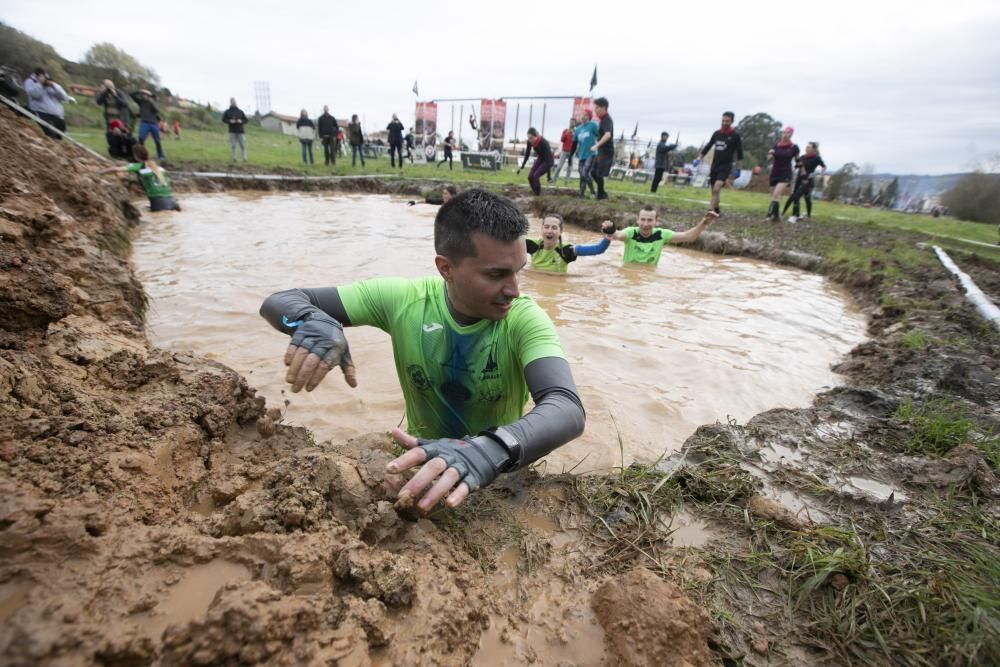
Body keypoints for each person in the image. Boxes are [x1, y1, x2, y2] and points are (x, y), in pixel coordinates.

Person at [259, 189, 585, 512]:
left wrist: (490, 448)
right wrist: (312, 320)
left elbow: (565, 407)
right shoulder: (404, 300)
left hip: (494, 474)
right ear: (446, 268)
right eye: (496, 274)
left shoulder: (524, 319)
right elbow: (280, 301)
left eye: (518, 271)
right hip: (420, 466)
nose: (513, 290)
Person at [606, 205, 718, 266]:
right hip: (628, 273)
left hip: (650, 278)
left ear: (656, 222)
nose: (645, 224)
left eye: (650, 220)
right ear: (637, 221)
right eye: (643, 220)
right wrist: (611, 230)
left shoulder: (661, 234)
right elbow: (618, 235)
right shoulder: (631, 232)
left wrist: (703, 224)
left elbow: (688, 236)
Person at [101, 144, 181, 211]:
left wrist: (99, 173)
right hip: (173, 202)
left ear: (136, 156)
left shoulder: (139, 166)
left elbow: (115, 169)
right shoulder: (157, 167)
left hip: (159, 204)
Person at [525, 214, 616, 273]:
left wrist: (609, 234)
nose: (549, 231)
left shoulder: (566, 250)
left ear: (561, 232)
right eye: (546, 227)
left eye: (554, 228)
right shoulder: (532, 245)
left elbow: (598, 249)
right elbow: (511, 243)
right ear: (541, 229)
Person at [697, 111, 743, 215]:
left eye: (727, 121)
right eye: (723, 121)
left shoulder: (735, 136)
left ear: (732, 121)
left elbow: (740, 153)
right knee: (714, 190)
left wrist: (739, 168)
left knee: (717, 187)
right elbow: (708, 146)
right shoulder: (716, 134)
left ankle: (710, 211)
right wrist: (699, 157)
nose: (724, 123)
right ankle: (716, 209)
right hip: (715, 165)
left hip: (726, 166)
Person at [23, 68, 73, 139]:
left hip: (58, 116)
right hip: (41, 113)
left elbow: (64, 97)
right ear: (37, 75)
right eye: (41, 75)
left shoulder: (51, 82)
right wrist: (40, 84)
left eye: (44, 75)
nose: (43, 77)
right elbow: (34, 95)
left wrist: (53, 86)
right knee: (50, 136)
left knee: (59, 137)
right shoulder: (29, 82)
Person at [783, 141, 826, 221]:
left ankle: (795, 215)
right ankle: (794, 214)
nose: (807, 148)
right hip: (799, 179)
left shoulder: (816, 158)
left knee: (797, 197)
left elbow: (823, 167)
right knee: (802, 198)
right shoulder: (802, 157)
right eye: (806, 146)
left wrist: (816, 174)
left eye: (809, 147)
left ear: (813, 149)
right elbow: (797, 165)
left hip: (807, 181)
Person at [764, 126, 800, 222]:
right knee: (773, 197)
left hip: (785, 174)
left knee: (776, 195)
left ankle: (768, 215)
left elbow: (797, 160)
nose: (785, 135)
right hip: (775, 173)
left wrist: (800, 166)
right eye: (783, 132)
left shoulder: (794, 147)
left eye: (787, 133)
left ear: (791, 135)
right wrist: (770, 155)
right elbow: (769, 156)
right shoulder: (776, 146)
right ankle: (776, 217)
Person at [589, 97, 614, 200]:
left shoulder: (607, 120)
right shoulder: (602, 120)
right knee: (593, 172)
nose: (595, 110)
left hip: (606, 151)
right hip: (601, 151)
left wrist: (597, 145)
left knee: (598, 173)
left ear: (604, 107)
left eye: (597, 107)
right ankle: (602, 193)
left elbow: (608, 135)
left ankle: (601, 195)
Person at [517, 128, 554, 196]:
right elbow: (527, 154)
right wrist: (522, 166)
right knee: (530, 177)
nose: (530, 140)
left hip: (548, 160)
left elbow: (547, 160)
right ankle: (535, 192)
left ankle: (537, 195)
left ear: (536, 136)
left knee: (535, 176)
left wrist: (549, 177)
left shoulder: (544, 142)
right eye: (528, 138)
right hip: (540, 158)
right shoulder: (529, 142)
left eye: (531, 138)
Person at [130, 89, 165, 161]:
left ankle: (160, 155)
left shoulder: (154, 101)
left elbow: (156, 110)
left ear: (150, 96)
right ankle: (141, 155)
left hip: (153, 123)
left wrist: (150, 100)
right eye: (144, 95)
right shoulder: (141, 102)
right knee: (141, 139)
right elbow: (132, 95)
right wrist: (140, 91)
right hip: (144, 123)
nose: (144, 96)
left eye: (146, 95)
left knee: (157, 141)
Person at [574, 110, 599, 199]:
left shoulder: (593, 125)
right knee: (582, 174)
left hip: (591, 154)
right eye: (582, 114)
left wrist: (596, 145)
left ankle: (592, 191)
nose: (583, 116)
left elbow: (599, 136)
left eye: (585, 115)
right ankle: (581, 195)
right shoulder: (578, 129)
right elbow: (575, 143)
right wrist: (570, 156)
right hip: (581, 155)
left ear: (589, 116)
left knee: (584, 173)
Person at [550, 119, 577, 185]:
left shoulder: (576, 131)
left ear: (575, 123)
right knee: (559, 166)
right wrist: (567, 133)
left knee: (569, 167)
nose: (571, 123)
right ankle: (553, 180)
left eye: (573, 122)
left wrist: (574, 134)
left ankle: (566, 182)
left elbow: (577, 141)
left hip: (572, 152)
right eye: (570, 122)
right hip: (564, 151)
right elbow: (562, 139)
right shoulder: (565, 131)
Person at [222, 98, 248, 162]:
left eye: (235, 102)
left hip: (240, 131)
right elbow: (223, 119)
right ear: (230, 103)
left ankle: (244, 158)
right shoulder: (227, 111)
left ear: (236, 103)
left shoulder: (240, 111)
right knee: (233, 145)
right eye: (232, 102)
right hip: (232, 131)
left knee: (243, 145)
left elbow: (246, 120)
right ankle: (234, 158)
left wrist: (241, 121)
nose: (234, 103)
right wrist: (230, 121)